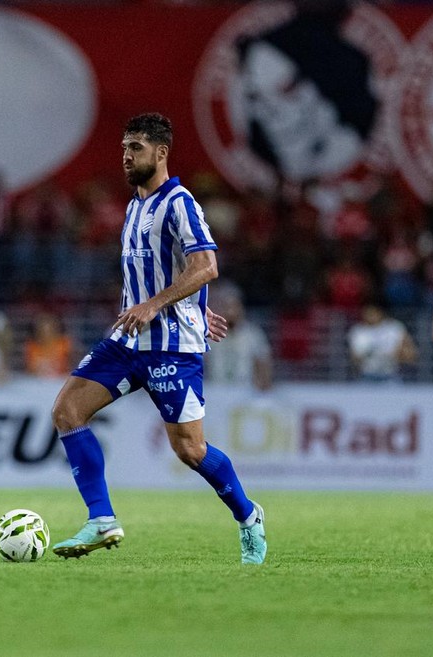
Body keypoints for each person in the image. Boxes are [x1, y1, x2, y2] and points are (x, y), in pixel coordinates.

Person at [50, 113, 266, 564]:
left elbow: (206, 266)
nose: (127, 156)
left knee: (190, 449)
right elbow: (174, 270)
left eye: (137, 148)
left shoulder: (180, 202)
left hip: (171, 347)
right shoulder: (135, 205)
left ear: (161, 152)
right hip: (127, 341)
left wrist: (162, 305)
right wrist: (191, 304)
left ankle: (248, 517)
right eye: (125, 148)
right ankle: (102, 519)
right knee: (67, 410)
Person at [204, 283, 273, 391]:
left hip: (244, 391)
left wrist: (263, 384)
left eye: (234, 307)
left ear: (241, 308)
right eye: (227, 307)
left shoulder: (253, 334)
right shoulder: (210, 334)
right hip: (216, 391)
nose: (230, 312)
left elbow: (263, 361)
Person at [347, 303, 417, 382]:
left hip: (390, 375)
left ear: (380, 312)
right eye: (368, 313)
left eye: (373, 312)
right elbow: (353, 358)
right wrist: (368, 355)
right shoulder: (358, 331)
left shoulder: (394, 328)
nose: (371, 316)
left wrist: (394, 355)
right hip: (367, 376)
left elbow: (411, 355)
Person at [24, 313, 77, 379]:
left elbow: (71, 365)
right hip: (38, 382)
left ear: (55, 328)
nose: (46, 332)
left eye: (49, 329)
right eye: (42, 329)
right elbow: (30, 369)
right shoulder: (32, 346)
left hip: (61, 380)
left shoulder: (65, 343)